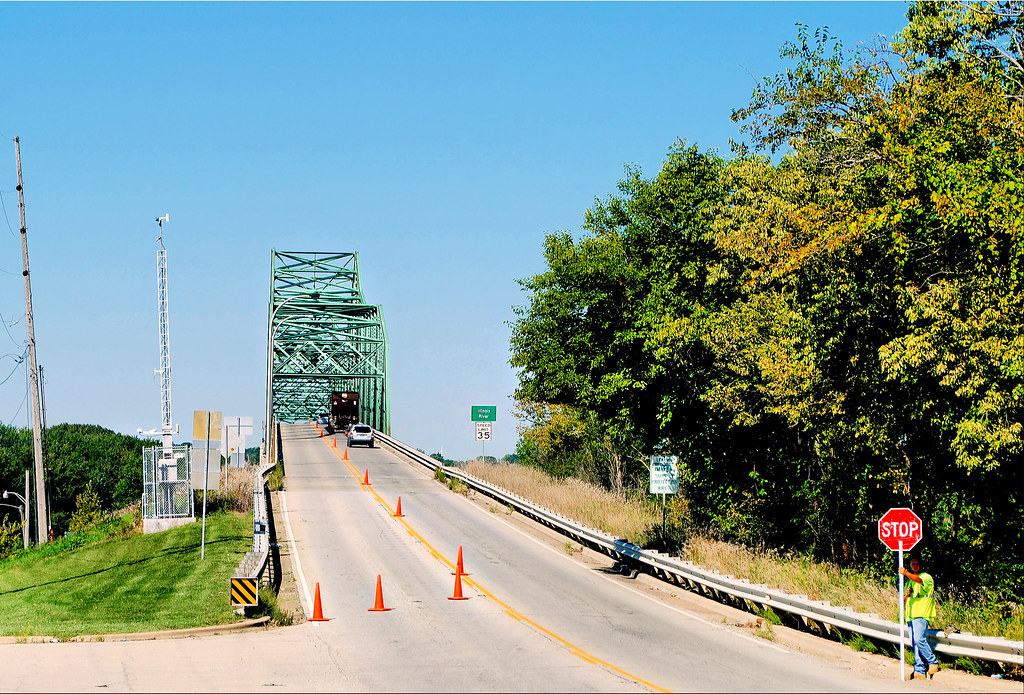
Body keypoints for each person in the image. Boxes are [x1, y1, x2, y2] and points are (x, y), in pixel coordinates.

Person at [900, 556, 940, 680]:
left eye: (917, 563)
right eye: (913, 563)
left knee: (919, 639)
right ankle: (919, 670)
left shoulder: (926, 577)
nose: (915, 565)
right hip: (911, 615)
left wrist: (905, 572)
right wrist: (907, 594)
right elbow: (903, 600)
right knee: (915, 643)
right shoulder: (909, 581)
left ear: (921, 565)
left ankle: (933, 662)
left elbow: (919, 580)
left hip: (921, 614)